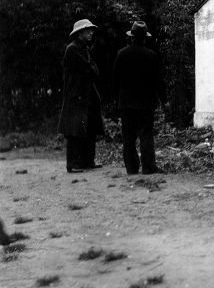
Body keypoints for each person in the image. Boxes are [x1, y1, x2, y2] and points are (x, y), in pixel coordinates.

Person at [113, 21, 165, 175]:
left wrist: (118, 99)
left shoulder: (121, 54)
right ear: (145, 38)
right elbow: (157, 81)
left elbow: (115, 79)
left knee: (128, 137)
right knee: (146, 135)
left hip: (126, 103)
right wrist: (160, 99)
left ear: (132, 36)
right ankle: (148, 167)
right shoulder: (152, 56)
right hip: (146, 103)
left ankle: (131, 168)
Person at [58, 19, 104, 173]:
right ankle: (73, 163)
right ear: (79, 33)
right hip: (76, 96)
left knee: (89, 128)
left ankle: (88, 161)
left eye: (91, 30)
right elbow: (88, 69)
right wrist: (91, 68)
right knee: (75, 131)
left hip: (86, 95)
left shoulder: (84, 48)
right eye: (87, 30)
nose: (91, 32)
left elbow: (95, 72)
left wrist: (91, 69)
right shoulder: (72, 49)